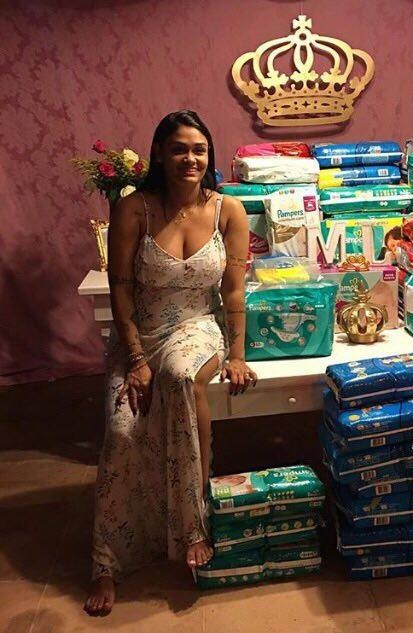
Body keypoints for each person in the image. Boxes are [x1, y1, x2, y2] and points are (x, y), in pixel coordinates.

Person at [84, 110, 258, 616]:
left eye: (199, 149)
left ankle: (193, 524)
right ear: (159, 153)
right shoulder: (134, 208)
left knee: (181, 378)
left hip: (198, 327)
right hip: (140, 335)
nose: (190, 159)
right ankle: (107, 562)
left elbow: (233, 290)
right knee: (122, 431)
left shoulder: (228, 210)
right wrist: (136, 358)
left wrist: (239, 354)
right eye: (179, 149)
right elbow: (120, 289)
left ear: (209, 154)